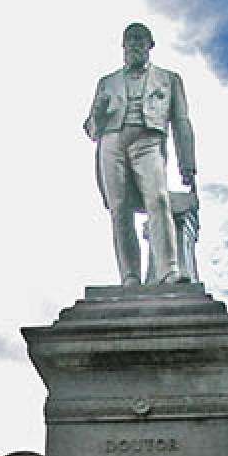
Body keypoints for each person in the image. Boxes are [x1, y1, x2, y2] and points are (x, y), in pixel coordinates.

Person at [84, 23, 196, 286]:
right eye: (130, 39)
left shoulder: (169, 79)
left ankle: (168, 271)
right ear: (123, 46)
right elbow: (92, 129)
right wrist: (98, 115)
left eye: (141, 39)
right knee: (119, 209)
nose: (135, 44)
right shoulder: (107, 82)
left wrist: (187, 163)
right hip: (112, 142)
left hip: (148, 141)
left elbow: (181, 121)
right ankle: (130, 276)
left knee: (158, 199)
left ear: (150, 45)